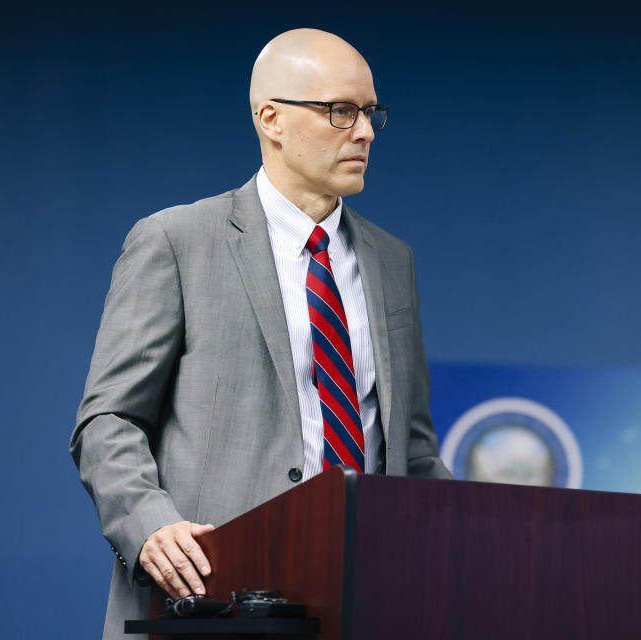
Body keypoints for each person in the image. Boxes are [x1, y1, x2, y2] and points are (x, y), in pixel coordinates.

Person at [70, 28, 452, 640]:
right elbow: (107, 421)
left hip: (371, 602)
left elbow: (412, 449)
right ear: (271, 119)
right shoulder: (175, 241)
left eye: (372, 112)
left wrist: (476, 538)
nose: (365, 132)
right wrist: (147, 524)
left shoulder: (392, 260)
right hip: (214, 602)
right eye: (341, 111)